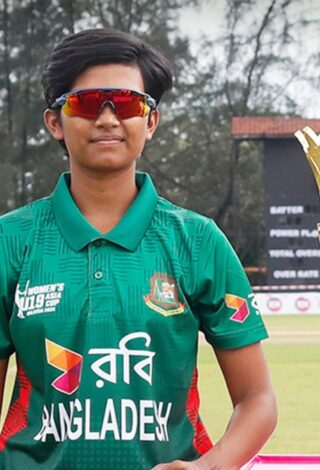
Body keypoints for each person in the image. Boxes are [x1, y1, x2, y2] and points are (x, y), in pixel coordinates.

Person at [0, 29, 277, 469]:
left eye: (127, 104)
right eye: (88, 103)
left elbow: (257, 398)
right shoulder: (10, 241)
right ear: (54, 122)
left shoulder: (197, 240)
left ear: (150, 122)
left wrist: (208, 468)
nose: (108, 119)